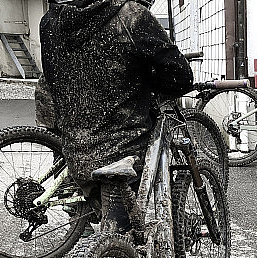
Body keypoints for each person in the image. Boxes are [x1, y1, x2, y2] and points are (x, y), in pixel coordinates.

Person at [39, 0, 193, 230]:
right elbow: (181, 77)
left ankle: (82, 222)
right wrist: (147, 83)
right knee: (125, 243)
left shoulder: (50, 21)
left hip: (75, 151)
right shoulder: (132, 16)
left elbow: (54, 78)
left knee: (109, 237)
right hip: (124, 151)